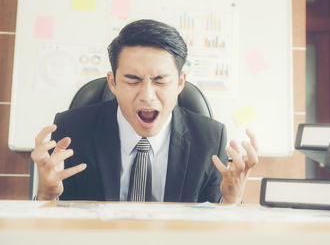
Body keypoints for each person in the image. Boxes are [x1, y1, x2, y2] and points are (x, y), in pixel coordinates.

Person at [31, 19, 258, 204]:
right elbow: (54, 224)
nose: (147, 95)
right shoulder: (73, 130)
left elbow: (213, 230)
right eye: (132, 80)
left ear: (180, 83)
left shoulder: (209, 137)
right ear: (112, 83)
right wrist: (45, 196)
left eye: (160, 81)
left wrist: (232, 199)